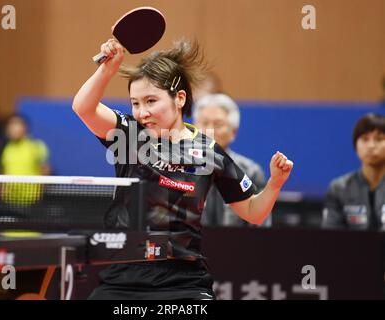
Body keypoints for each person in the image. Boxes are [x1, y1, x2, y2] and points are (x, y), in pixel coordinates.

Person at [72, 38, 293, 300]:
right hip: (122, 278)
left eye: (151, 101)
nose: (142, 112)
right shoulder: (129, 135)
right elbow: (83, 107)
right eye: (135, 103)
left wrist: (275, 183)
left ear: (179, 98)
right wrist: (108, 69)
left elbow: (253, 212)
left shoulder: (209, 152)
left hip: (183, 282)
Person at [193, 93, 270, 227]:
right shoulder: (178, 167)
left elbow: (261, 231)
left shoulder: (250, 172)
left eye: (218, 124)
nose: (209, 130)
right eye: (204, 123)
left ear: (233, 132)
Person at [322, 113, 385, 230]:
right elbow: (329, 237)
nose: (371, 146)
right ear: (356, 145)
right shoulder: (339, 188)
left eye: (379, 139)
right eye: (365, 139)